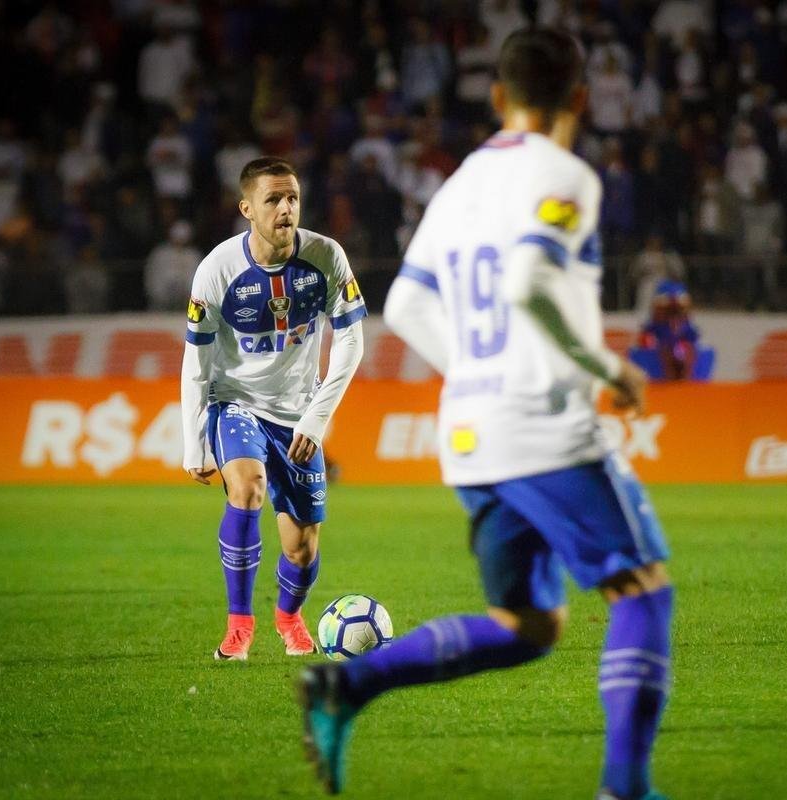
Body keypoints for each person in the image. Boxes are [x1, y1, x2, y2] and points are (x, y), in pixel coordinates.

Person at [299, 29, 672, 800]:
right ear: (578, 99)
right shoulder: (567, 174)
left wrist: (474, 373)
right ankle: (625, 790)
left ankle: (350, 686)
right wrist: (611, 368)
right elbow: (531, 281)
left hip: (468, 430)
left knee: (530, 626)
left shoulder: (461, 181)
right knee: (642, 589)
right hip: (542, 420)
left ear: (498, 98)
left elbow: (402, 304)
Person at [180, 156, 366, 660]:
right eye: (273, 200)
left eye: (293, 199)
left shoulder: (326, 257)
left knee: (301, 548)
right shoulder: (217, 269)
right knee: (247, 488)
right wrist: (193, 441)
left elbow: (351, 344)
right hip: (234, 401)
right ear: (247, 208)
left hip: (298, 413)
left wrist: (317, 416)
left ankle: (289, 616)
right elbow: (195, 362)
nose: (286, 209)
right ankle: (239, 627)